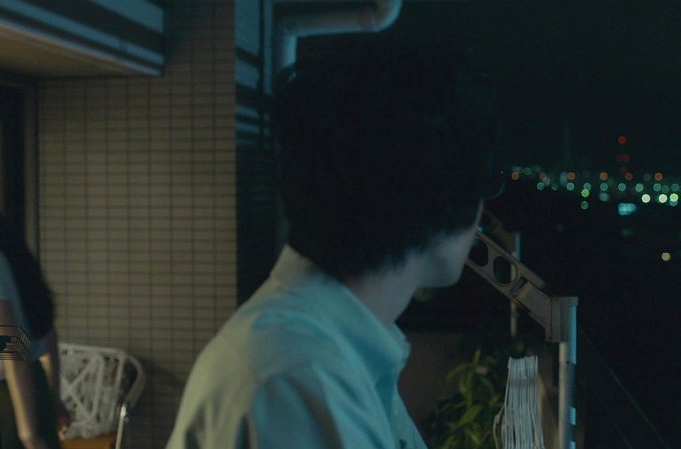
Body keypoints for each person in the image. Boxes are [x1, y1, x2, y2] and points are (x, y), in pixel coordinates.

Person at [166, 43, 503, 448]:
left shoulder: (330, 352)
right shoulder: (298, 378)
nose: (483, 213)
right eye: (482, 185)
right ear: (440, 195)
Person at [0, 173, 71, 449]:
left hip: (8, 401)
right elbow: (46, 334)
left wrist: (28, 432)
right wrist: (52, 397)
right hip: (30, 392)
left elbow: (10, 344)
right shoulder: (7, 256)